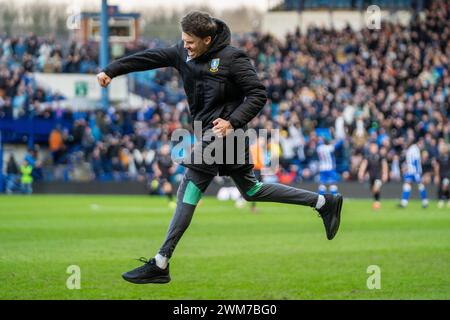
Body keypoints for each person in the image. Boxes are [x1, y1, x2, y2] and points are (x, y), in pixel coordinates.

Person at [97, 11, 343, 284]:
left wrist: (232, 122)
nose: (186, 46)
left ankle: (161, 261)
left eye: (191, 42)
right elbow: (150, 57)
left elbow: (258, 94)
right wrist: (112, 70)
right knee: (251, 190)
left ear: (207, 39)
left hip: (225, 133)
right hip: (211, 134)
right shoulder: (183, 53)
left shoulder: (232, 58)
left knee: (189, 184)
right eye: (184, 41)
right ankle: (323, 202)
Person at [358, 142, 389, 210]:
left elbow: (384, 165)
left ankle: (377, 203)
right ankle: (376, 202)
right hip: (371, 177)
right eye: (372, 148)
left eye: (375, 148)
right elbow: (364, 164)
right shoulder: (367, 156)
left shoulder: (380, 156)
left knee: (376, 188)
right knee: (373, 190)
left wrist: (385, 174)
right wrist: (361, 173)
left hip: (378, 176)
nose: (373, 149)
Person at [399, 140, 428, 208]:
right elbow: (414, 161)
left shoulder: (412, 149)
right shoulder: (414, 149)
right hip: (413, 171)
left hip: (412, 171)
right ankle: (404, 203)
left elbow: (413, 161)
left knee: (413, 185)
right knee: (413, 185)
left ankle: (424, 202)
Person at [151, 143, 177, 209]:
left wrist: (173, 168)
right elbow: (154, 164)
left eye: (167, 148)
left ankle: (170, 201)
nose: (166, 150)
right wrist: (157, 170)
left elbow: (174, 164)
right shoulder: (158, 155)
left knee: (168, 188)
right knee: (167, 186)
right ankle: (171, 202)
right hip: (161, 175)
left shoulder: (170, 156)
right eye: (165, 148)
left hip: (168, 175)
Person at [433, 141, 449, 209]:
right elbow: (437, 166)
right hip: (441, 174)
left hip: (448, 175)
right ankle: (443, 199)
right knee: (441, 188)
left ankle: (442, 200)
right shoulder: (439, 157)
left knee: (445, 186)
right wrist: (436, 175)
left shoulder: (449, 156)